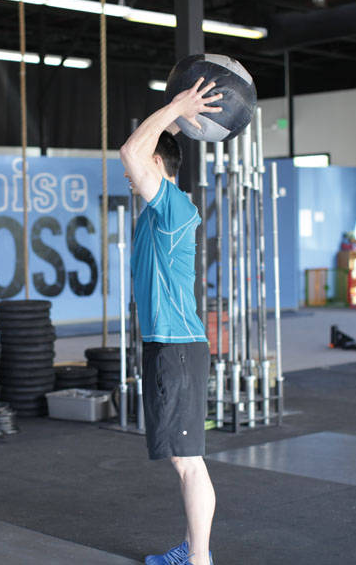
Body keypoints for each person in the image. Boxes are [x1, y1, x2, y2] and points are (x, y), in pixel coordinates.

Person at [119, 76, 221, 565]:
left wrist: (176, 106)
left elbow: (129, 153)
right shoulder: (157, 214)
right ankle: (190, 550)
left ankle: (198, 560)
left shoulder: (175, 207)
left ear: (158, 164)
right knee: (186, 460)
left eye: (144, 164)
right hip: (167, 346)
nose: (130, 176)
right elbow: (134, 155)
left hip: (178, 347)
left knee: (188, 463)